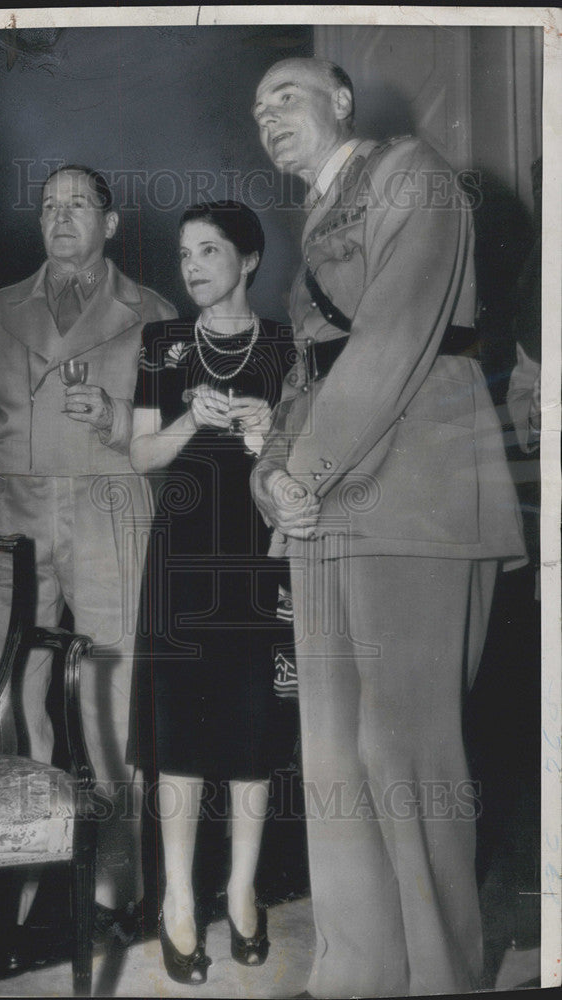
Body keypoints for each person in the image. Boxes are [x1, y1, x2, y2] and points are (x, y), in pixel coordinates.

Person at [249, 58, 527, 998]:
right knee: (330, 751)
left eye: (283, 97)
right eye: (255, 110)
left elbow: (393, 337)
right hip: (327, 501)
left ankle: (439, 979)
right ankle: (356, 977)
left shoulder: (411, 173)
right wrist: (269, 480)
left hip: (417, 489)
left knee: (405, 752)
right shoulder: (319, 215)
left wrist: (302, 470)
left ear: (339, 101)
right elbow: (305, 378)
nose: (265, 117)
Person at [0, 164, 176, 929]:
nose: (62, 217)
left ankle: (116, 887)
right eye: (50, 205)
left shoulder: (153, 312)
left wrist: (118, 414)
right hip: (13, 518)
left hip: (108, 507)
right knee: (8, 692)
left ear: (111, 223)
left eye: (79, 204)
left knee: (110, 698)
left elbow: (172, 436)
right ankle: (4, 891)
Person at [126, 201, 294, 983]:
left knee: (254, 737)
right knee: (181, 744)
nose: (191, 265)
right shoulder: (161, 343)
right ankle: (178, 903)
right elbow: (140, 457)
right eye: (183, 252)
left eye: (208, 250)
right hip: (183, 564)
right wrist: (193, 416)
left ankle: (242, 891)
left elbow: (303, 462)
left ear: (249, 259)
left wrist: (269, 437)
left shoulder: (290, 348)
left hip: (259, 561)